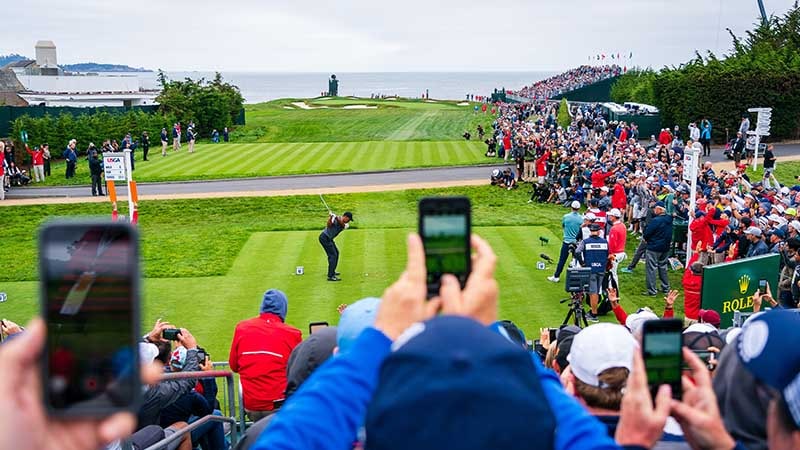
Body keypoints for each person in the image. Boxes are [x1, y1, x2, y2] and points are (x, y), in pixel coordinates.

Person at [228, 289, 302, 421]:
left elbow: (234, 365)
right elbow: (298, 370)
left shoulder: (242, 328)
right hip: (280, 407)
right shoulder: (292, 333)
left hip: (251, 406)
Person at [576, 223, 608, 322]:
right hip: (601, 269)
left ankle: (594, 314)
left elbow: (577, 252)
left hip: (591, 270)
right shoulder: (605, 242)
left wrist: (582, 263)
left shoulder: (585, 242)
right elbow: (607, 254)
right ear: (599, 231)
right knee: (596, 291)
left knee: (592, 292)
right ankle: (592, 311)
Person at [548, 201, 583, 283]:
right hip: (576, 243)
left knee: (562, 260)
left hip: (566, 242)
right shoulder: (581, 218)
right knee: (576, 261)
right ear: (578, 208)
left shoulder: (566, 217)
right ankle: (576, 279)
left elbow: (563, 226)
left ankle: (556, 276)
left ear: (571, 207)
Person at [642, 201, 672, 296]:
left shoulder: (656, 221)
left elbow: (647, 233)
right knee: (663, 267)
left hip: (654, 247)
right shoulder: (669, 220)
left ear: (659, 209)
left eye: (655, 208)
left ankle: (652, 290)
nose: (654, 210)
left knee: (651, 268)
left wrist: (647, 240)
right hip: (665, 247)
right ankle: (665, 287)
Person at [318, 211, 353, 282]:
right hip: (324, 238)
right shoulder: (335, 218)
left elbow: (342, 225)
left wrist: (335, 217)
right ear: (345, 217)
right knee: (333, 255)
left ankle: (332, 271)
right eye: (348, 219)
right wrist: (331, 217)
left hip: (329, 239)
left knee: (336, 253)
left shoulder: (346, 224)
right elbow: (329, 225)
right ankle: (331, 276)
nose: (349, 221)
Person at [606, 208, 627, 289]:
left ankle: (613, 290)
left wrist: (609, 254)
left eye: (611, 215)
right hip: (621, 252)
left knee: (612, 273)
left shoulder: (614, 228)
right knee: (613, 273)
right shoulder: (623, 226)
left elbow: (612, 244)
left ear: (614, 217)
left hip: (615, 254)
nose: (609, 217)